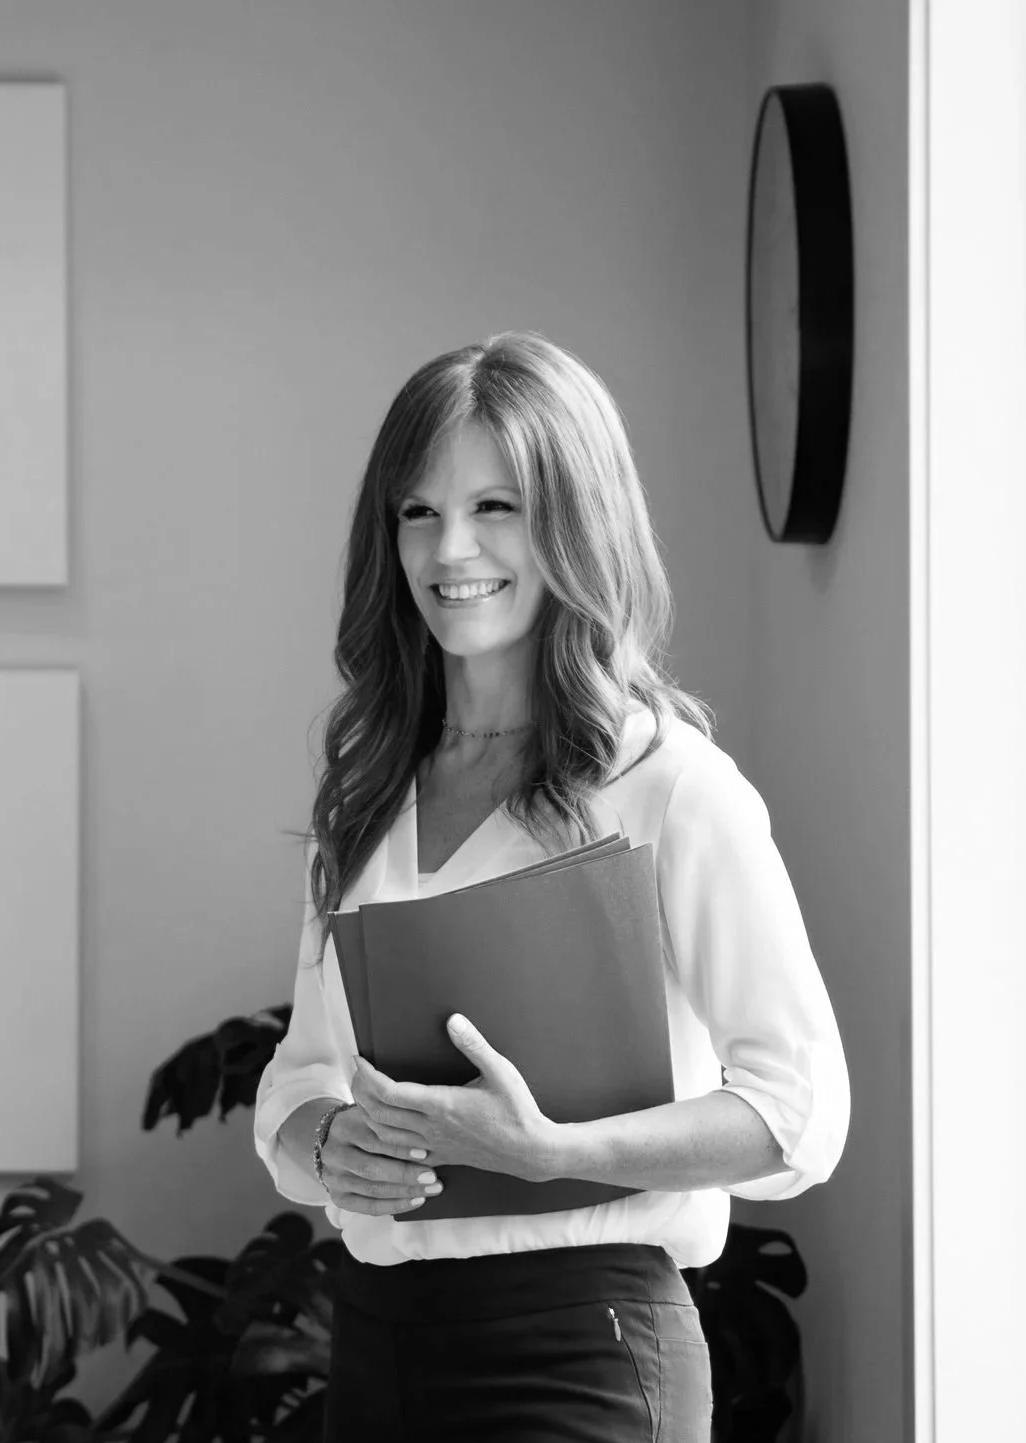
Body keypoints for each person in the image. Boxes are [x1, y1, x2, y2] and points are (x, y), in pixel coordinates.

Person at [251, 332, 849, 1442]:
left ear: (575, 522)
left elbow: (797, 1113)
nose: (449, 548)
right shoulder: (368, 796)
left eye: (497, 507)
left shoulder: (669, 785)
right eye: (416, 511)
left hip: (584, 1354)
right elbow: (297, 1080)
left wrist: (554, 1156)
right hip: (377, 1351)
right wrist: (327, 1145)